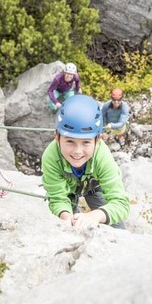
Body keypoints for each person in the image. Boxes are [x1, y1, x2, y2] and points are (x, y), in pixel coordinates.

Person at [41, 94, 130, 229]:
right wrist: (67, 217)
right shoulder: (51, 157)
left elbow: (120, 203)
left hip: (93, 188)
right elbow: (58, 198)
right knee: (65, 225)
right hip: (68, 190)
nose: (78, 151)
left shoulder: (102, 156)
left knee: (117, 226)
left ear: (97, 140)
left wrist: (96, 215)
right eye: (70, 141)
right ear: (57, 138)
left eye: (86, 142)